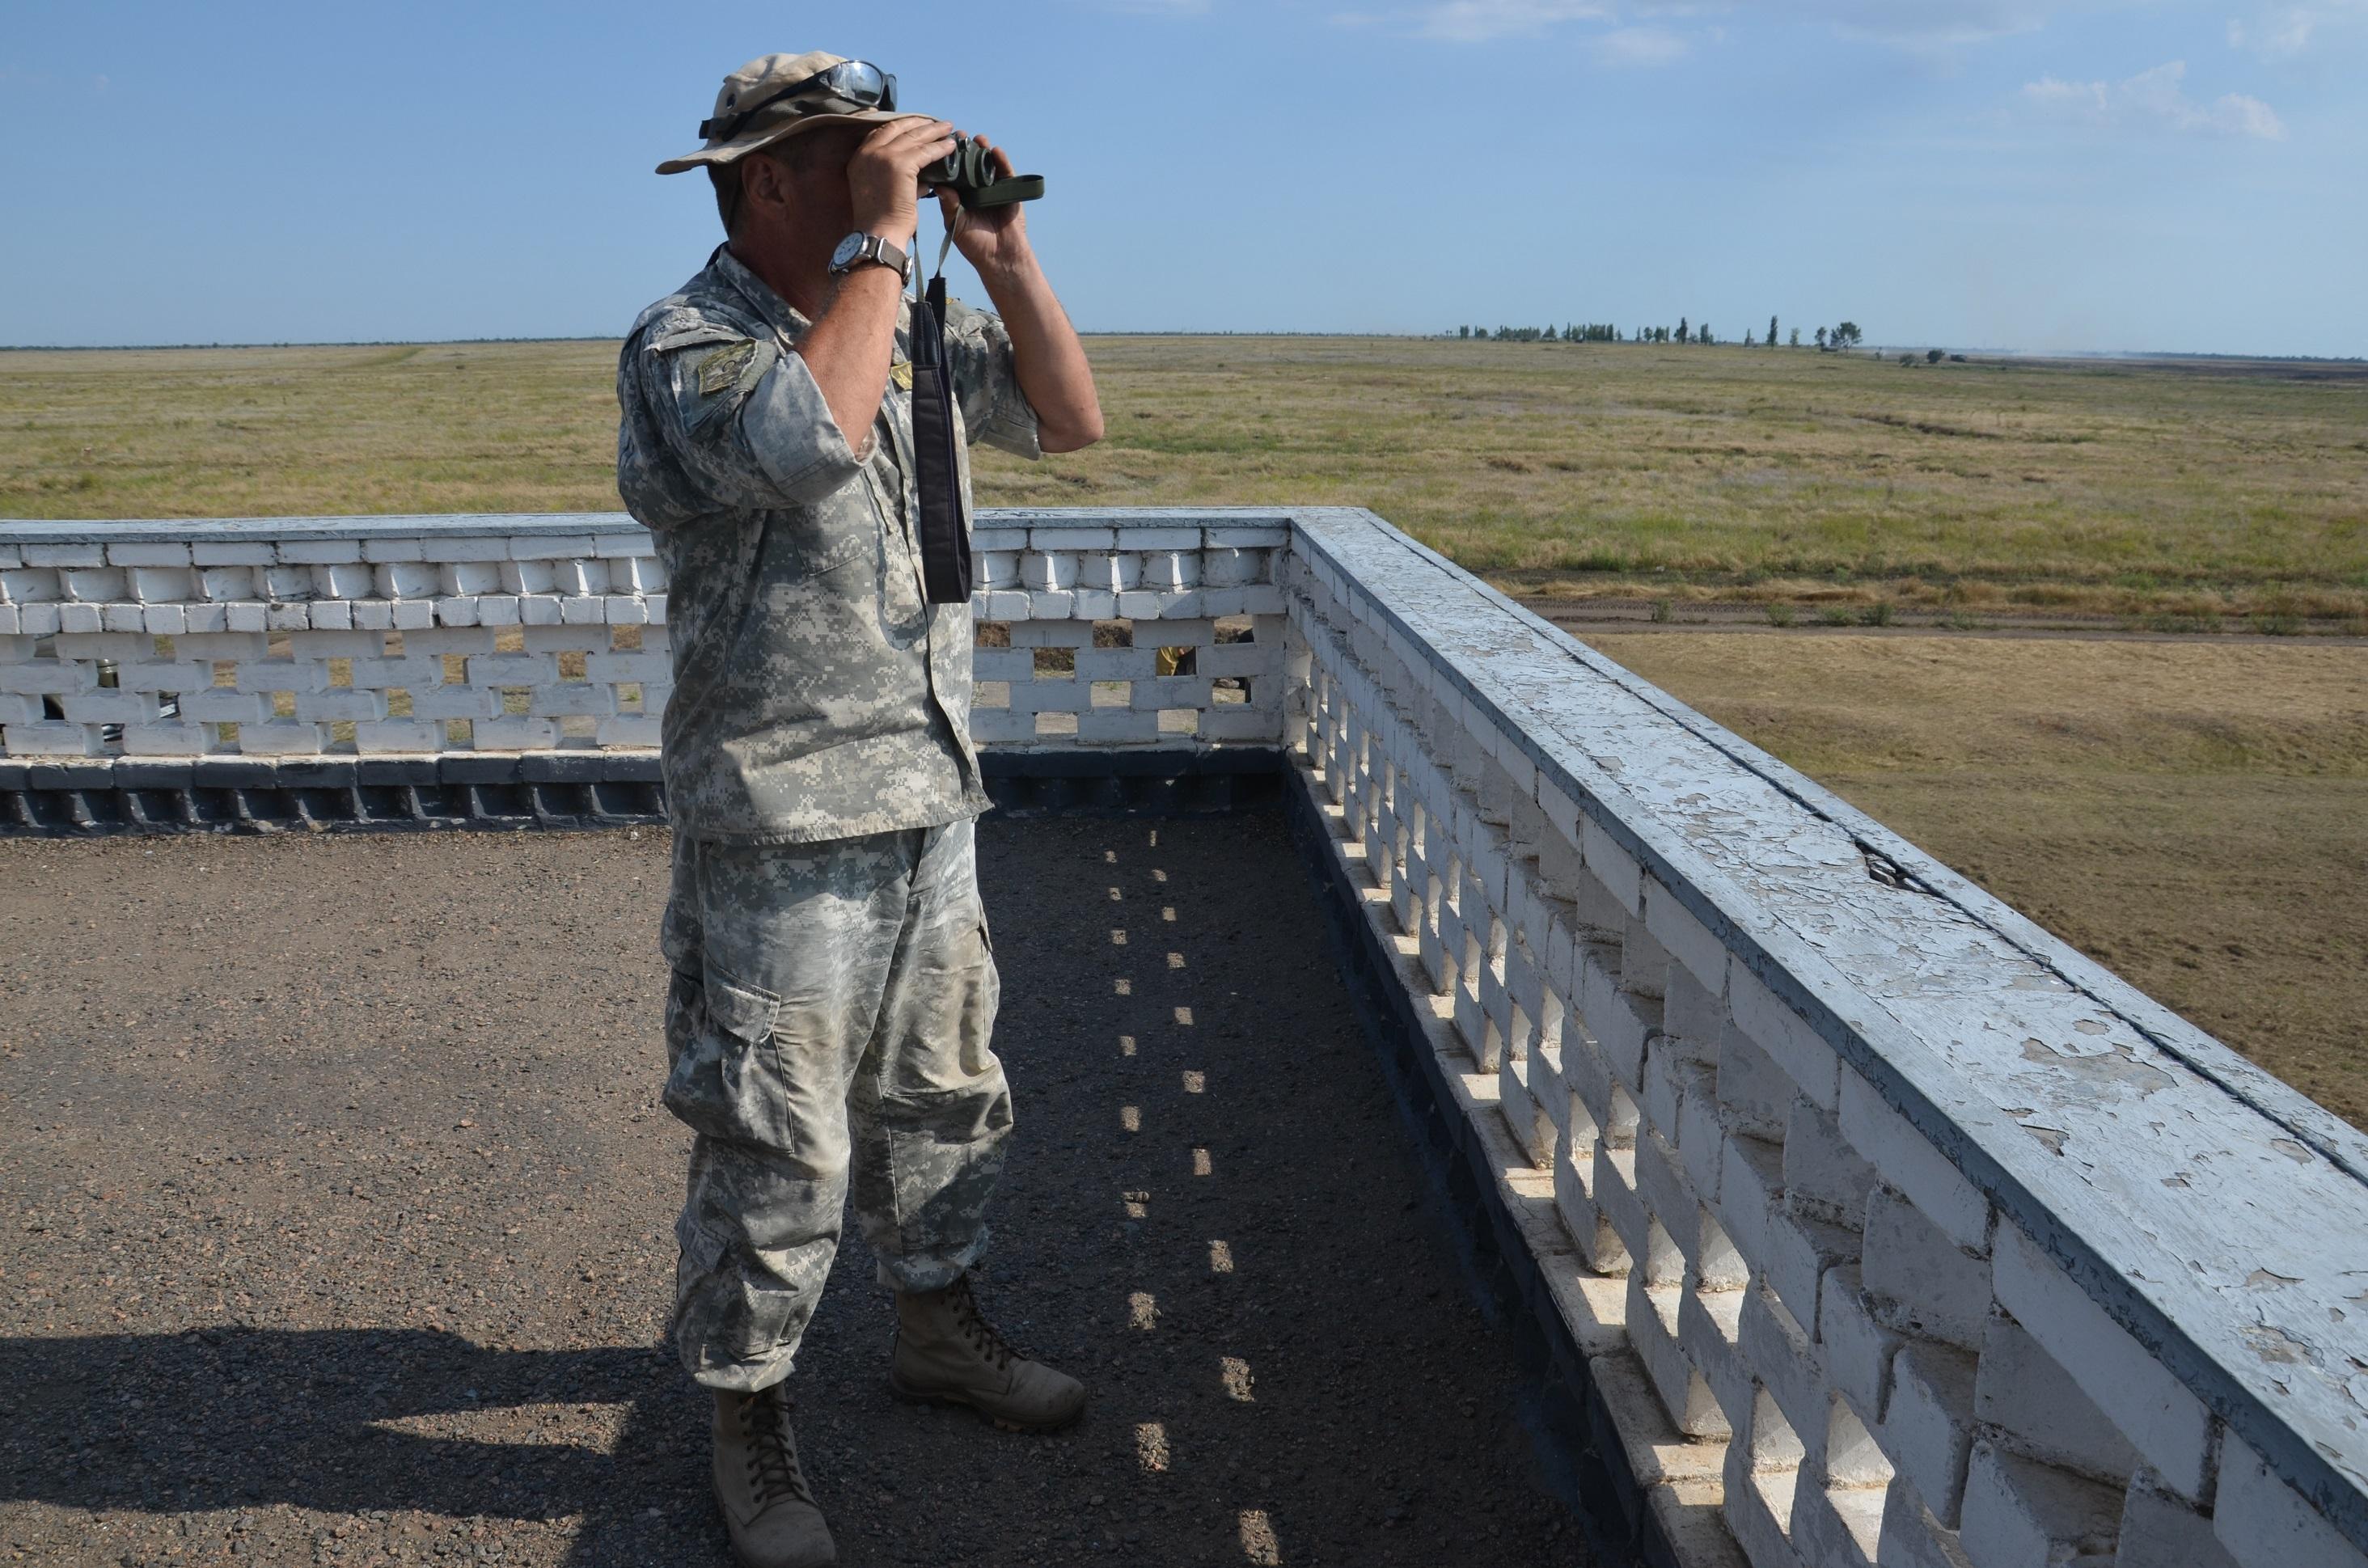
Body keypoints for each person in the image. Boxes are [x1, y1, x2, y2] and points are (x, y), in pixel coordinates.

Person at [613, 49, 1105, 1568]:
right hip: (780, 816)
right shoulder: (688, 343)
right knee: (780, 1139)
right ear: (769, 181)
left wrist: (1002, 256)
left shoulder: (896, 321)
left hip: (926, 788)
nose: (883, 179)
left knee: (945, 1092)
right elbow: (801, 444)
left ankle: (937, 1330)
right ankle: (747, 1416)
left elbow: (1071, 422)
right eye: (852, 161)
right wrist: (884, 248)